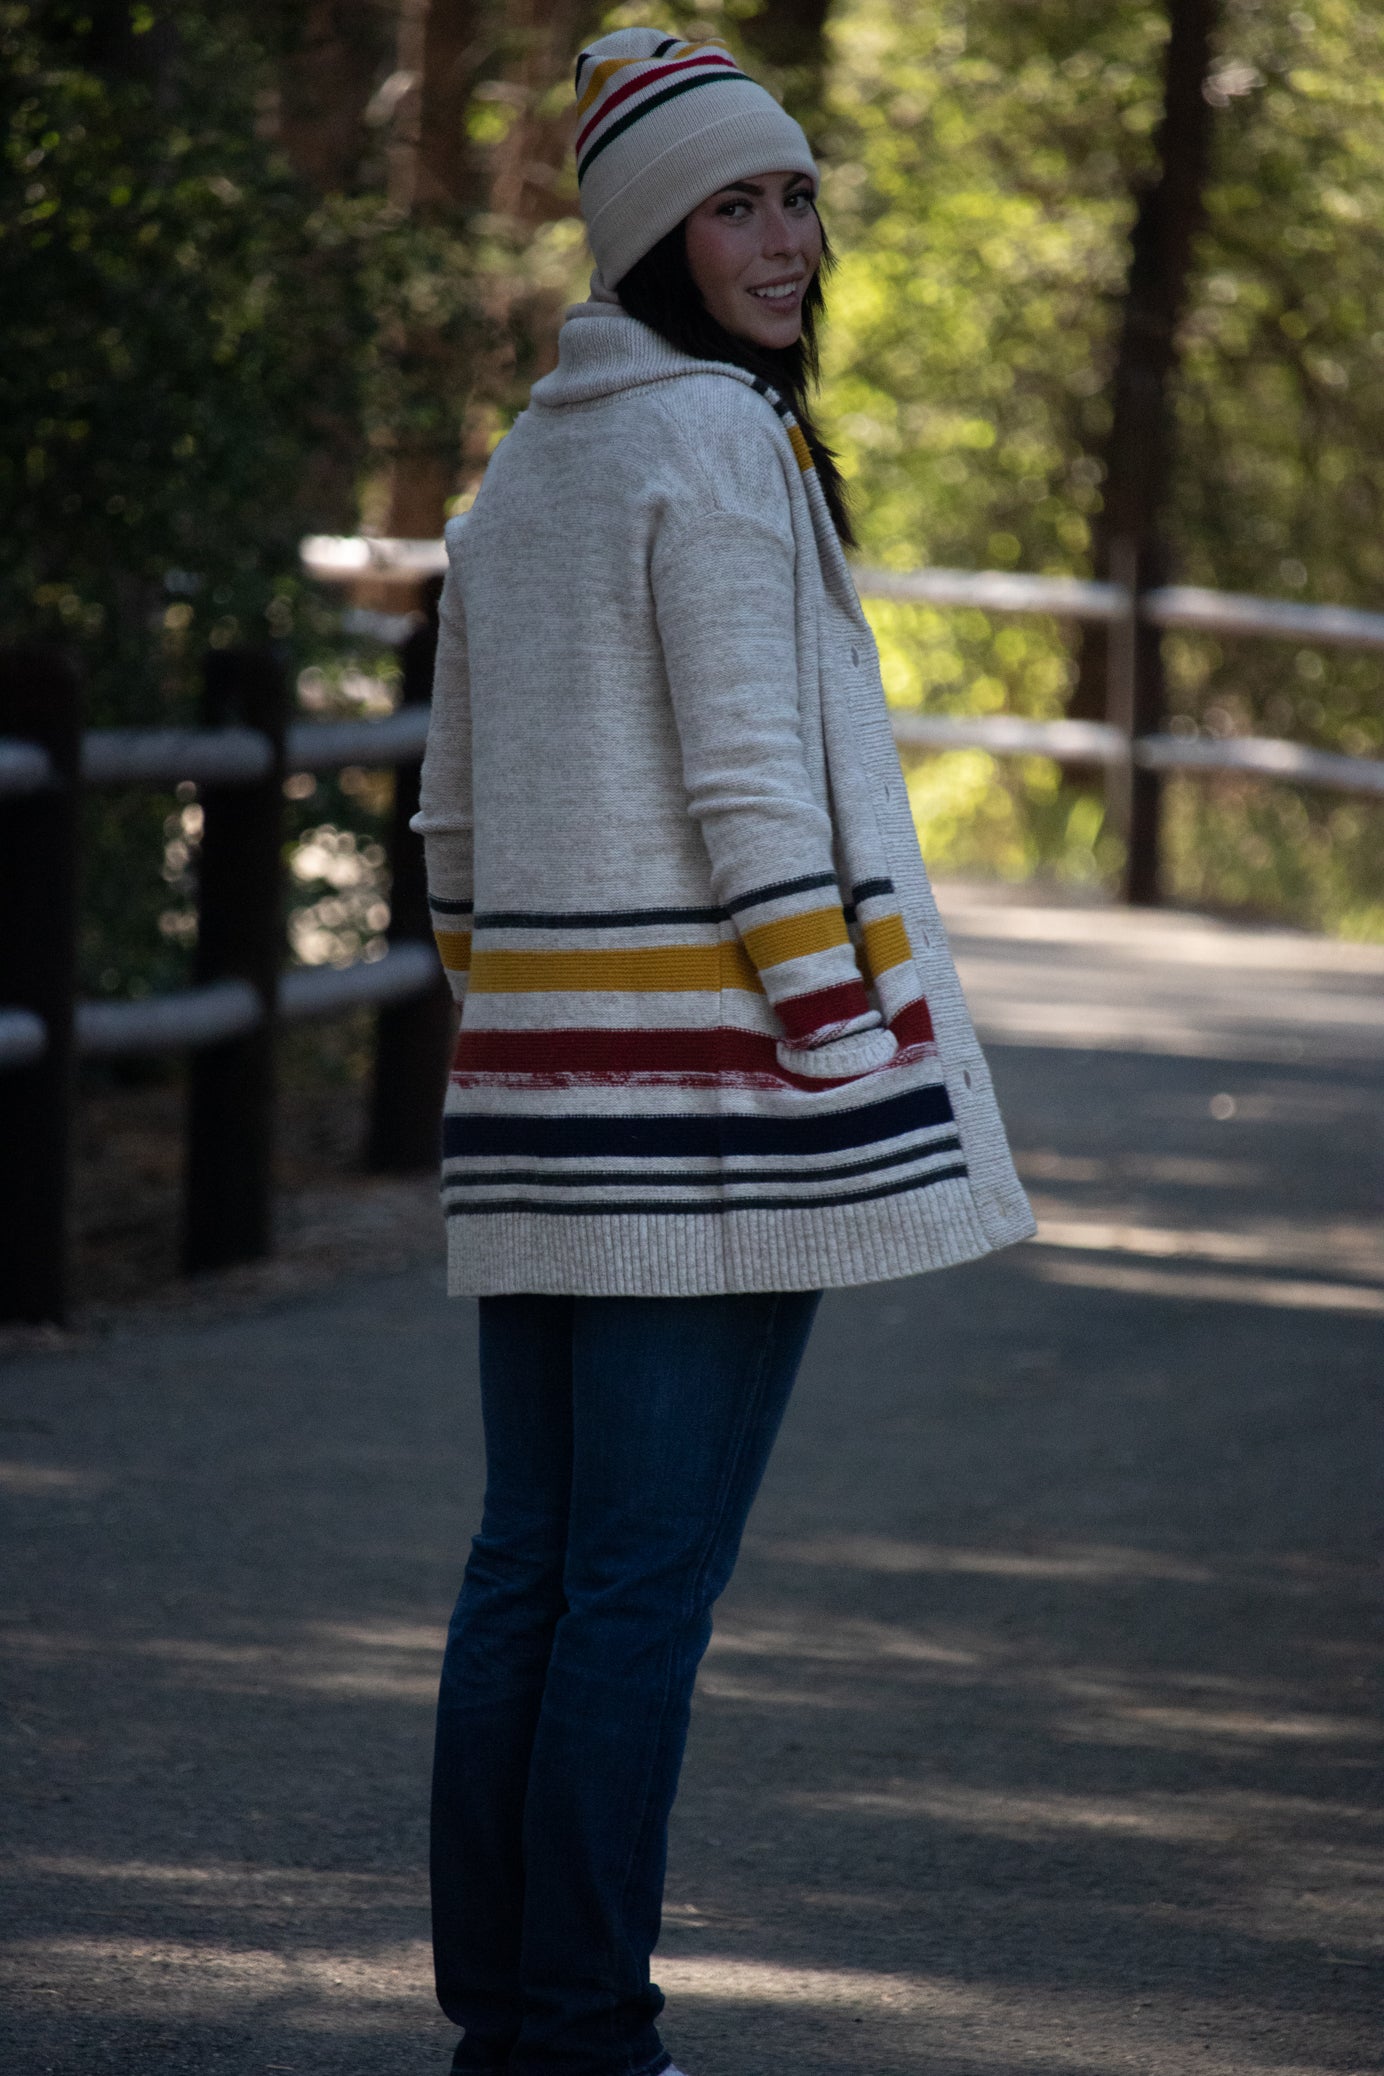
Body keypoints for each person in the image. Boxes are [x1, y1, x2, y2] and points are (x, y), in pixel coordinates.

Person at [412, 28, 1034, 2076]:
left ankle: (511, 2023)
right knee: (633, 1598)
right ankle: (580, 2037)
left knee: (533, 1573)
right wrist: (836, 1042)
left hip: (538, 1098)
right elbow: (758, 787)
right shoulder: (715, 444)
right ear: (644, 240)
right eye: (735, 206)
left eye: (793, 197)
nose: (784, 239)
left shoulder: (528, 461)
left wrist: (512, 1022)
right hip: (714, 1111)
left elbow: (451, 839)